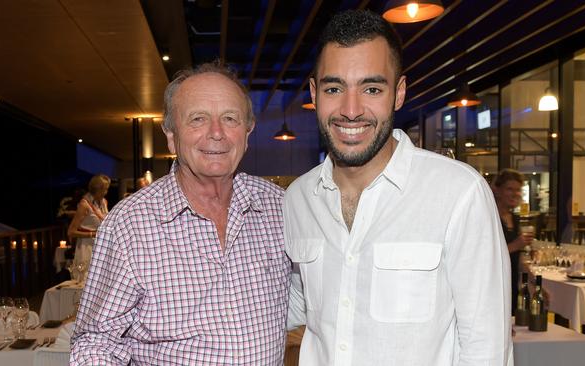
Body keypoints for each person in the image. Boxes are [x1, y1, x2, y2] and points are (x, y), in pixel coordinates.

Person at [283, 10, 512, 365]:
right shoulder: (298, 199)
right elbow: (298, 304)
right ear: (315, 93)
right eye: (334, 88)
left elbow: (486, 348)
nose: (351, 109)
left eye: (371, 88)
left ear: (399, 93)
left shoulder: (458, 193)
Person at [70, 63, 292, 365]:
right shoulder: (130, 225)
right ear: (171, 135)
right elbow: (96, 343)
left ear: (248, 131)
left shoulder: (281, 209)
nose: (217, 133)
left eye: (230, 118)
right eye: (198, 119)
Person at [492, 168, 534, 314]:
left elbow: (519, 259)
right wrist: (516, 245)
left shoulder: (515, 219)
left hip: (511, 285)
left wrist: (536, 283)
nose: (515, 194)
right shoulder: (489, 218)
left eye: (518, 190)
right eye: (510, 189)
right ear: (497, 191)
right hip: (493, 286)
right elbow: (486, 257)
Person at [67, 175, 110, 265]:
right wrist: (92, 234)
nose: (106, 192)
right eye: (104, 189)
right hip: (87, 248)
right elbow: (71, 232)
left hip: (101, 248)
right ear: (97, 189)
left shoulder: (104, 202)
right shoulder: (84, 205)